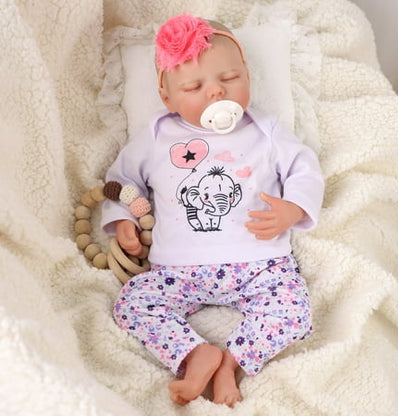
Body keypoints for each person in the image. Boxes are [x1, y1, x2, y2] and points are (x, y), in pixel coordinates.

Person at [102, 13, 324, 408]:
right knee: (133, 304)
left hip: (260, 264)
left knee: (294, 311)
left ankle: (232, 363)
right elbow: (122, 180)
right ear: (168, 97)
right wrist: (123, 219)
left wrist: (293, 208)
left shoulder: (265, 131)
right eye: (194, 86)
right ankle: (195, 353)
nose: (216, 91)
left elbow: (304, 169)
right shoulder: (156, 136)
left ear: (247, 76)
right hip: (177, 268)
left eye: (230, 78)